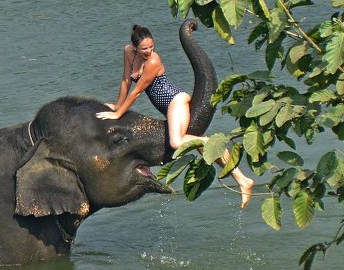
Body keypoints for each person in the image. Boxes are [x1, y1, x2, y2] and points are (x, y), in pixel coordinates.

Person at [97, 25, 254, 209]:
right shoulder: (128, 52)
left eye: (151, 47)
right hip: (167, 108)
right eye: (144, 49)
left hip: (175, 101)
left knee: (177, 143)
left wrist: (118, 113)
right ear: (134, 47)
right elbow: (126, 80)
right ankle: (242, 180)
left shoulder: (153, 61)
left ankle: (207, 142)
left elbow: (137, 91)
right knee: (189, 143)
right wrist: (117, 105)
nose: (149, 51)